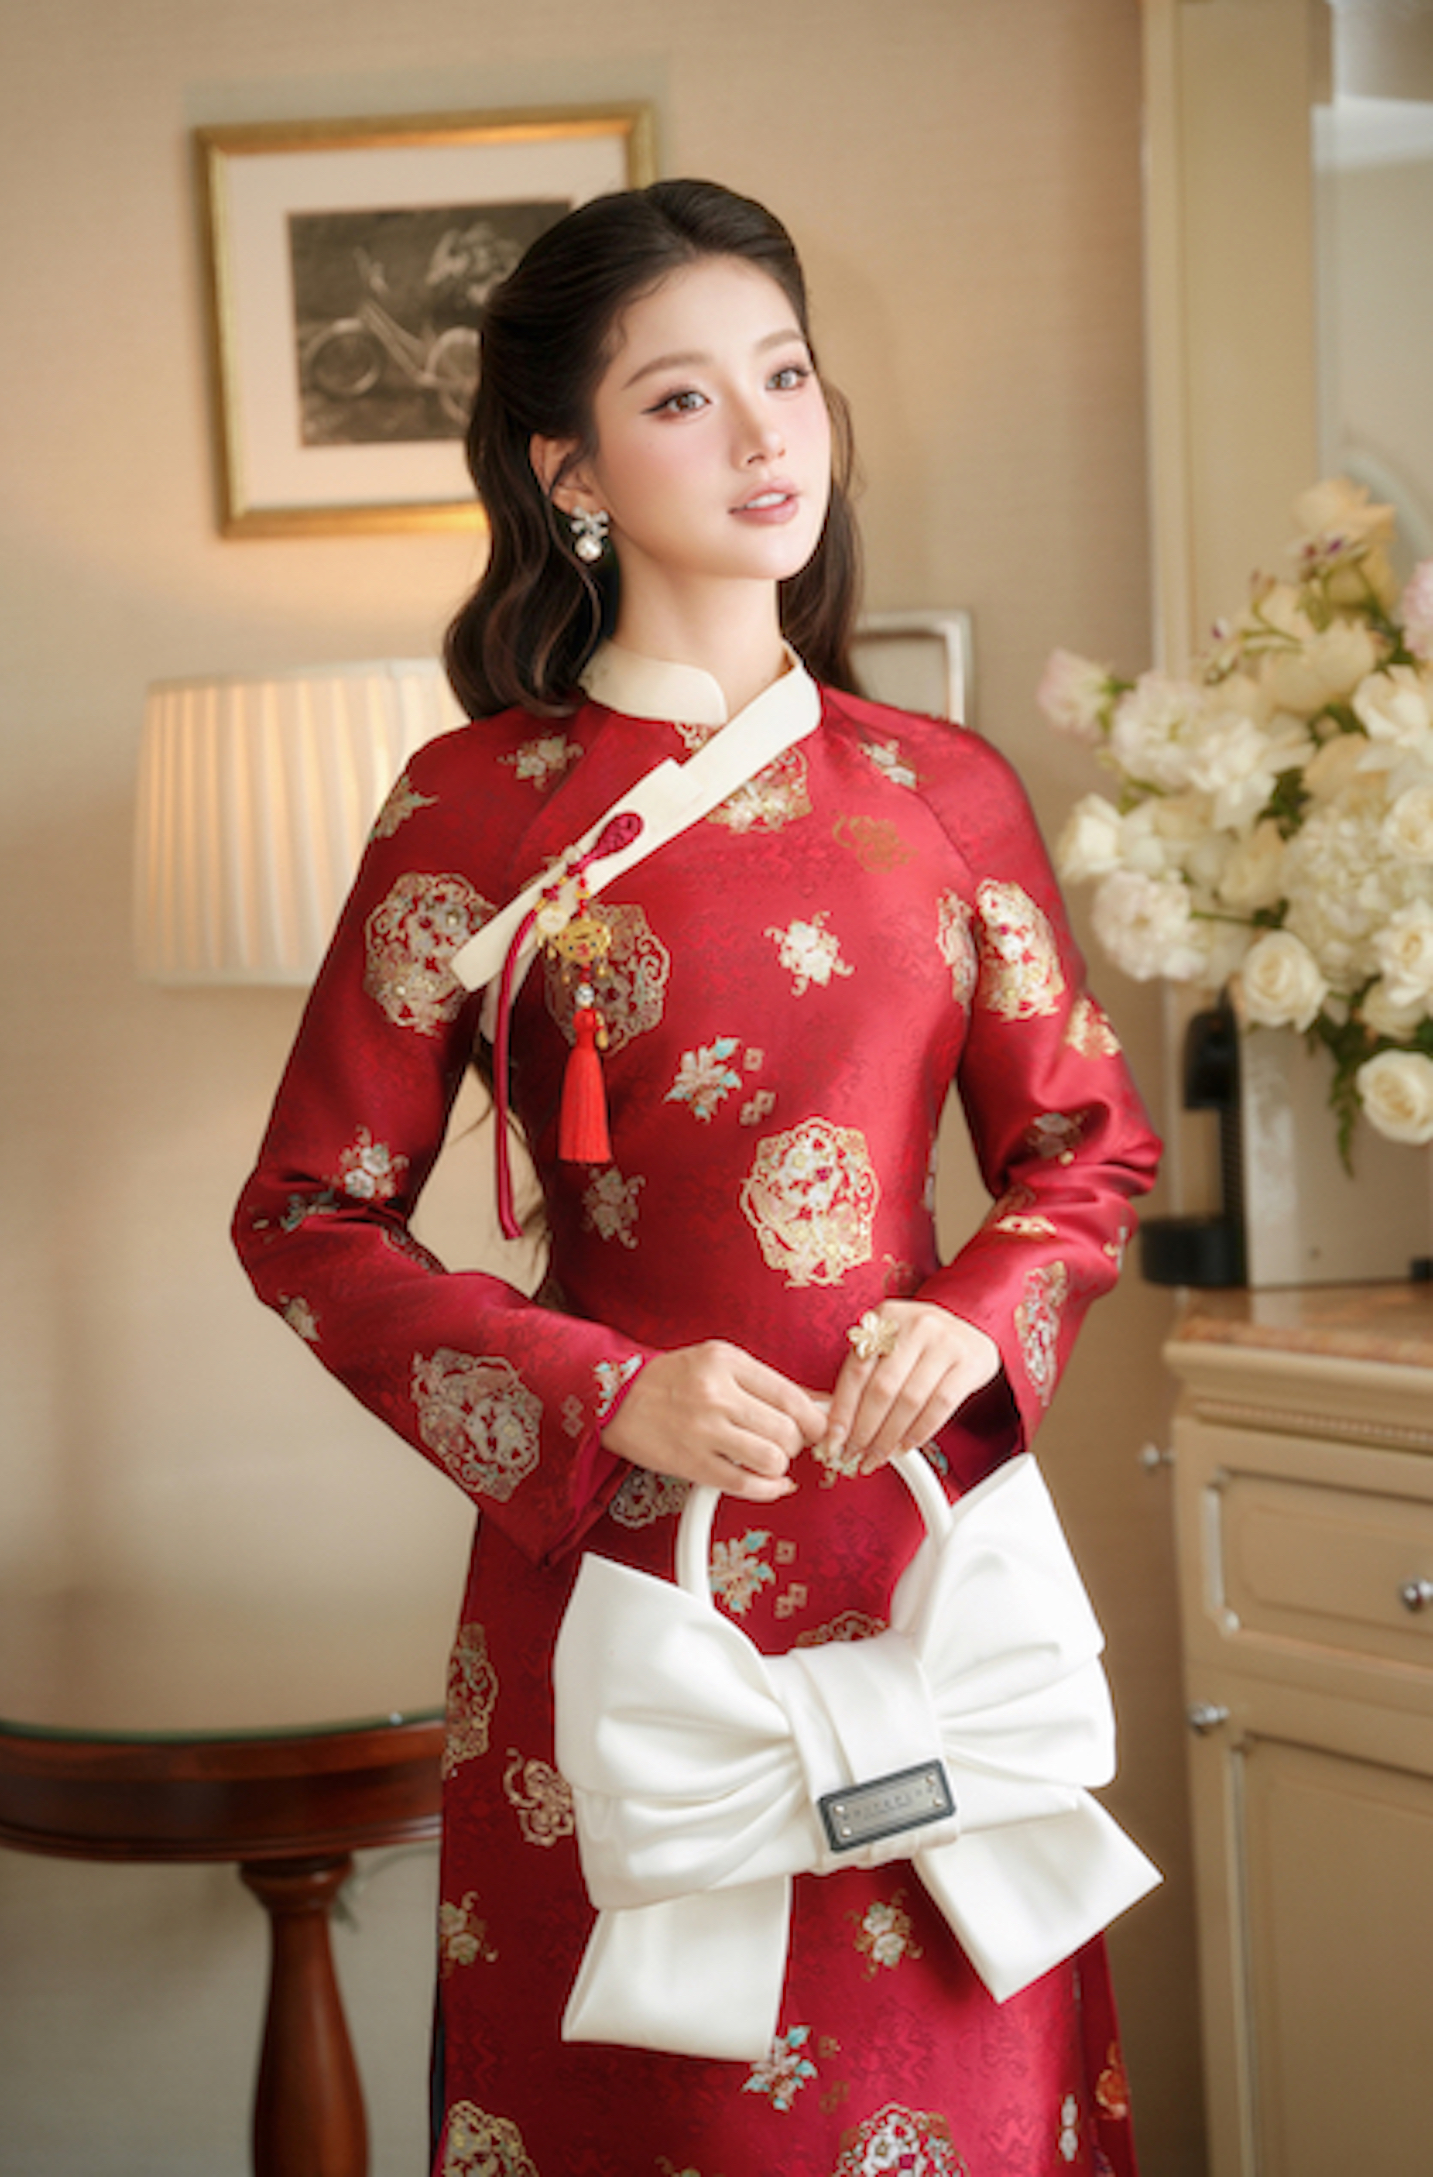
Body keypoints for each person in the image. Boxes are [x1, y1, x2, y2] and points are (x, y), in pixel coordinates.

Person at [234, 178, 1161, 2177]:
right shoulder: (467, 807)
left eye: (785, 376)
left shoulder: (944, 789)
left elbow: (1081, 1147)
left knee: (966, 2098)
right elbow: (304, 1216)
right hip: (622, 1589)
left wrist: (972, 1317)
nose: (762, 437)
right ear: (563, 467)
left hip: (920, 1561)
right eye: (680, 399)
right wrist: (597, 1392)